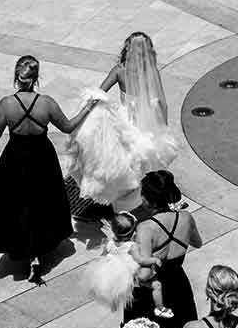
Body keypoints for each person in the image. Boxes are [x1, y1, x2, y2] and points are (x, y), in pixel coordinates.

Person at [0, 56, 97, 282]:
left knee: (13, 203)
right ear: (37, 79)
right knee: (44, 202)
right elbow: (68, 126)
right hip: (41, 158)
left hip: (15, 159)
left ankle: (19, 247)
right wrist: (88, 107)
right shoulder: (46, 103)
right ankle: (42, 245)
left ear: (16, 77)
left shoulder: (6, 104)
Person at [123, 171, 202, 328]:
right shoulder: (186, 217)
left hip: (153, 289)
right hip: (179, 285)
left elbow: (145, 272)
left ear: (147, 200)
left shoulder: (146, 228)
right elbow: (197, 243)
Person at [66, 31, 178, 210]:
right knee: (149, 156)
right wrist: (163, 127)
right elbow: (162, 103)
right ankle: (152, 195)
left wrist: (84, 113)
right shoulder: (151, 71)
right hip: (150, 122)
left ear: (127, 48)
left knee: (127, 159)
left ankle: (130, 199)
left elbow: (99, 93)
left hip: (127, 120)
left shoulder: (120, 70)